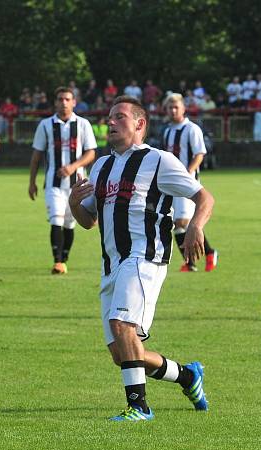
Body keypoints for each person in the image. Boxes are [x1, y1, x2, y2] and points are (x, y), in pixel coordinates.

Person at [68, 95, 213, 421]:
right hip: (112, 264)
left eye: (120, 117)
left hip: (145, 257)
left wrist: (195, 227)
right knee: (121, 354)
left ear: (140, 124)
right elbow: (89, 221)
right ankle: (188, 377)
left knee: (123, 326)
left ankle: (139, 407)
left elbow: (204, 197)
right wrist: (75, 204)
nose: (111, 123)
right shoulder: (102, 165)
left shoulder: (159, 160)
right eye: (109, 117)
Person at [28, 87, 97, 274]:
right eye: (60, 99)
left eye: (67, 99)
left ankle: (64, 259)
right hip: (53, 184)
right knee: (56, 220)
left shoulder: (83, 124)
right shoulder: (45, 125)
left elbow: (91, 152)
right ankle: (57, 261)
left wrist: (73, 167)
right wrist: (32, 181)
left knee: (69, 223)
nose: (64, 102)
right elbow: (37, 155)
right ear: (55, 102)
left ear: (74, 102)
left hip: (77, 185)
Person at [162, 93, 217, 272]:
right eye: (170, 107)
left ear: (184, 108)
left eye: (176, 107)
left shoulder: (191, 129)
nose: (173, 110)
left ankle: (194, 260)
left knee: (182, 223)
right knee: (178, 225)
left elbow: (199, 154)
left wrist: (187, 172)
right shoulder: (168, 131)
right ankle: (203, 256)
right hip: (170, 185)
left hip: (187, 184)